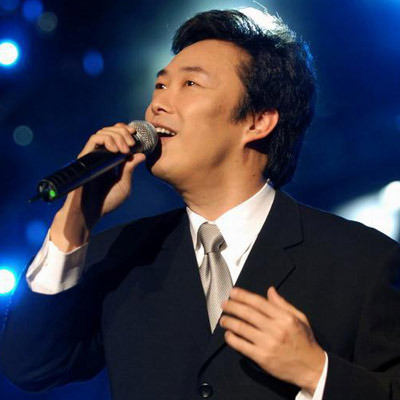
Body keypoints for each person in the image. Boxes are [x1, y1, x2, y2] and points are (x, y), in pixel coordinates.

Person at [1, 8, 399, 400]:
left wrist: (316, 372)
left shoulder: (361, 259)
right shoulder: (123, 255)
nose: (157, 105)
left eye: (190, 84)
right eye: (160, 86)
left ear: (257, 121)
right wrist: (75, 219)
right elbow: (31, 366)